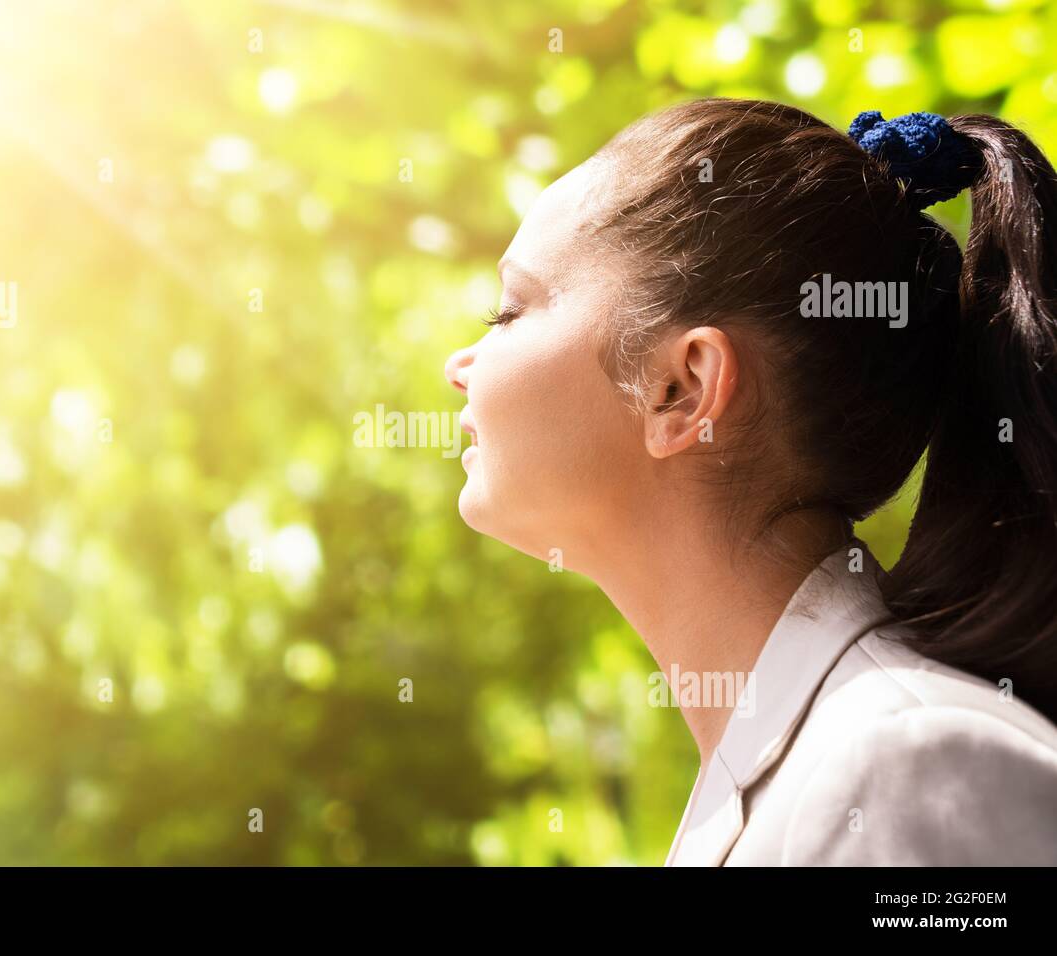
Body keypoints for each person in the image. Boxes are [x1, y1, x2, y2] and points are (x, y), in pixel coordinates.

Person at [443, 99, 1057, 865]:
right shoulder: (803, 778)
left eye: (507, 311)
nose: (457, 365)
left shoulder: (905, 771)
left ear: (683, 390)